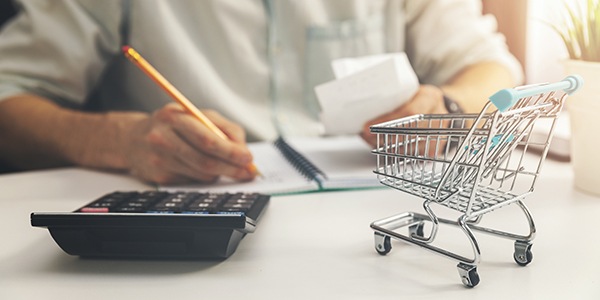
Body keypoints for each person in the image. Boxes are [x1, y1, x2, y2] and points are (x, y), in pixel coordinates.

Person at [0, 0, 522, 184]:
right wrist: (120, 139)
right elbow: (8, 96)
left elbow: (492, 69)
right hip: (190, 222)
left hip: (365, 220)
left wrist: (449, 108)